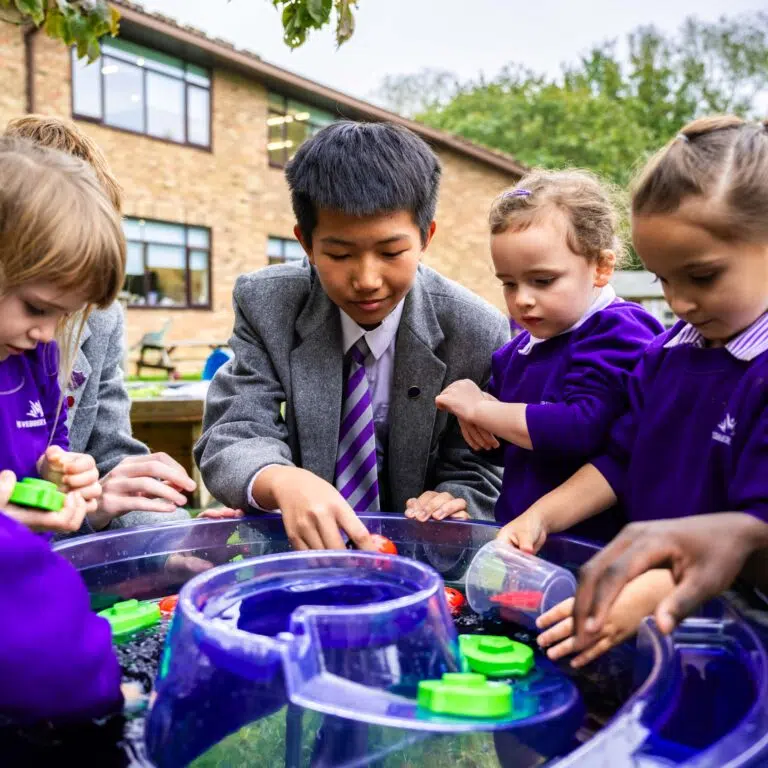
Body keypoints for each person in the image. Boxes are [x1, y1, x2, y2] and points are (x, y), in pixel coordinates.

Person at [501, 116, 768, 666]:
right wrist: (542, 517)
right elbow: (619, 460)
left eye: (703, 276)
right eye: (664, 279)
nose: (681, 301)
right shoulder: (664, 356)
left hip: (738, 630)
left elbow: (751, 532)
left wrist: (648, 590)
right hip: (653, 611)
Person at [195, 121, 509, 551]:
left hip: (419, 566)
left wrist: (456, 504)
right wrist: (279, 480)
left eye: (391, 253)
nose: (367, 279)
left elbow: (482, 468)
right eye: (339, 254)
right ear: (305, 242)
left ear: (426, 237)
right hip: (297, 558)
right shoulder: (268, 305)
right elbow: (235, 431)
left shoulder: (474, 330)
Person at [436, 170, 662, 540]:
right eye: (509, 283)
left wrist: (483, 410)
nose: (522, 298)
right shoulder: (516, 352)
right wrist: (482, 426)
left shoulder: (619, 332)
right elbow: (507, 451)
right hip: (523, 540)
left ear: (601, 268)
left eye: (543, 281)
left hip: (595, 546)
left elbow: (579, 428)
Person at [4, 115, 197, 532]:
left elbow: (105, 459)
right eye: (40, 306)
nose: (53, 332)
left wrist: (170, 546)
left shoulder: (101, 318)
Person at [0, 138, 124, 720]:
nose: (49, 333)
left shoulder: (32, 357)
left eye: (63, 315)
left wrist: (57, 471)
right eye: (36, 307)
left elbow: (46, 448)